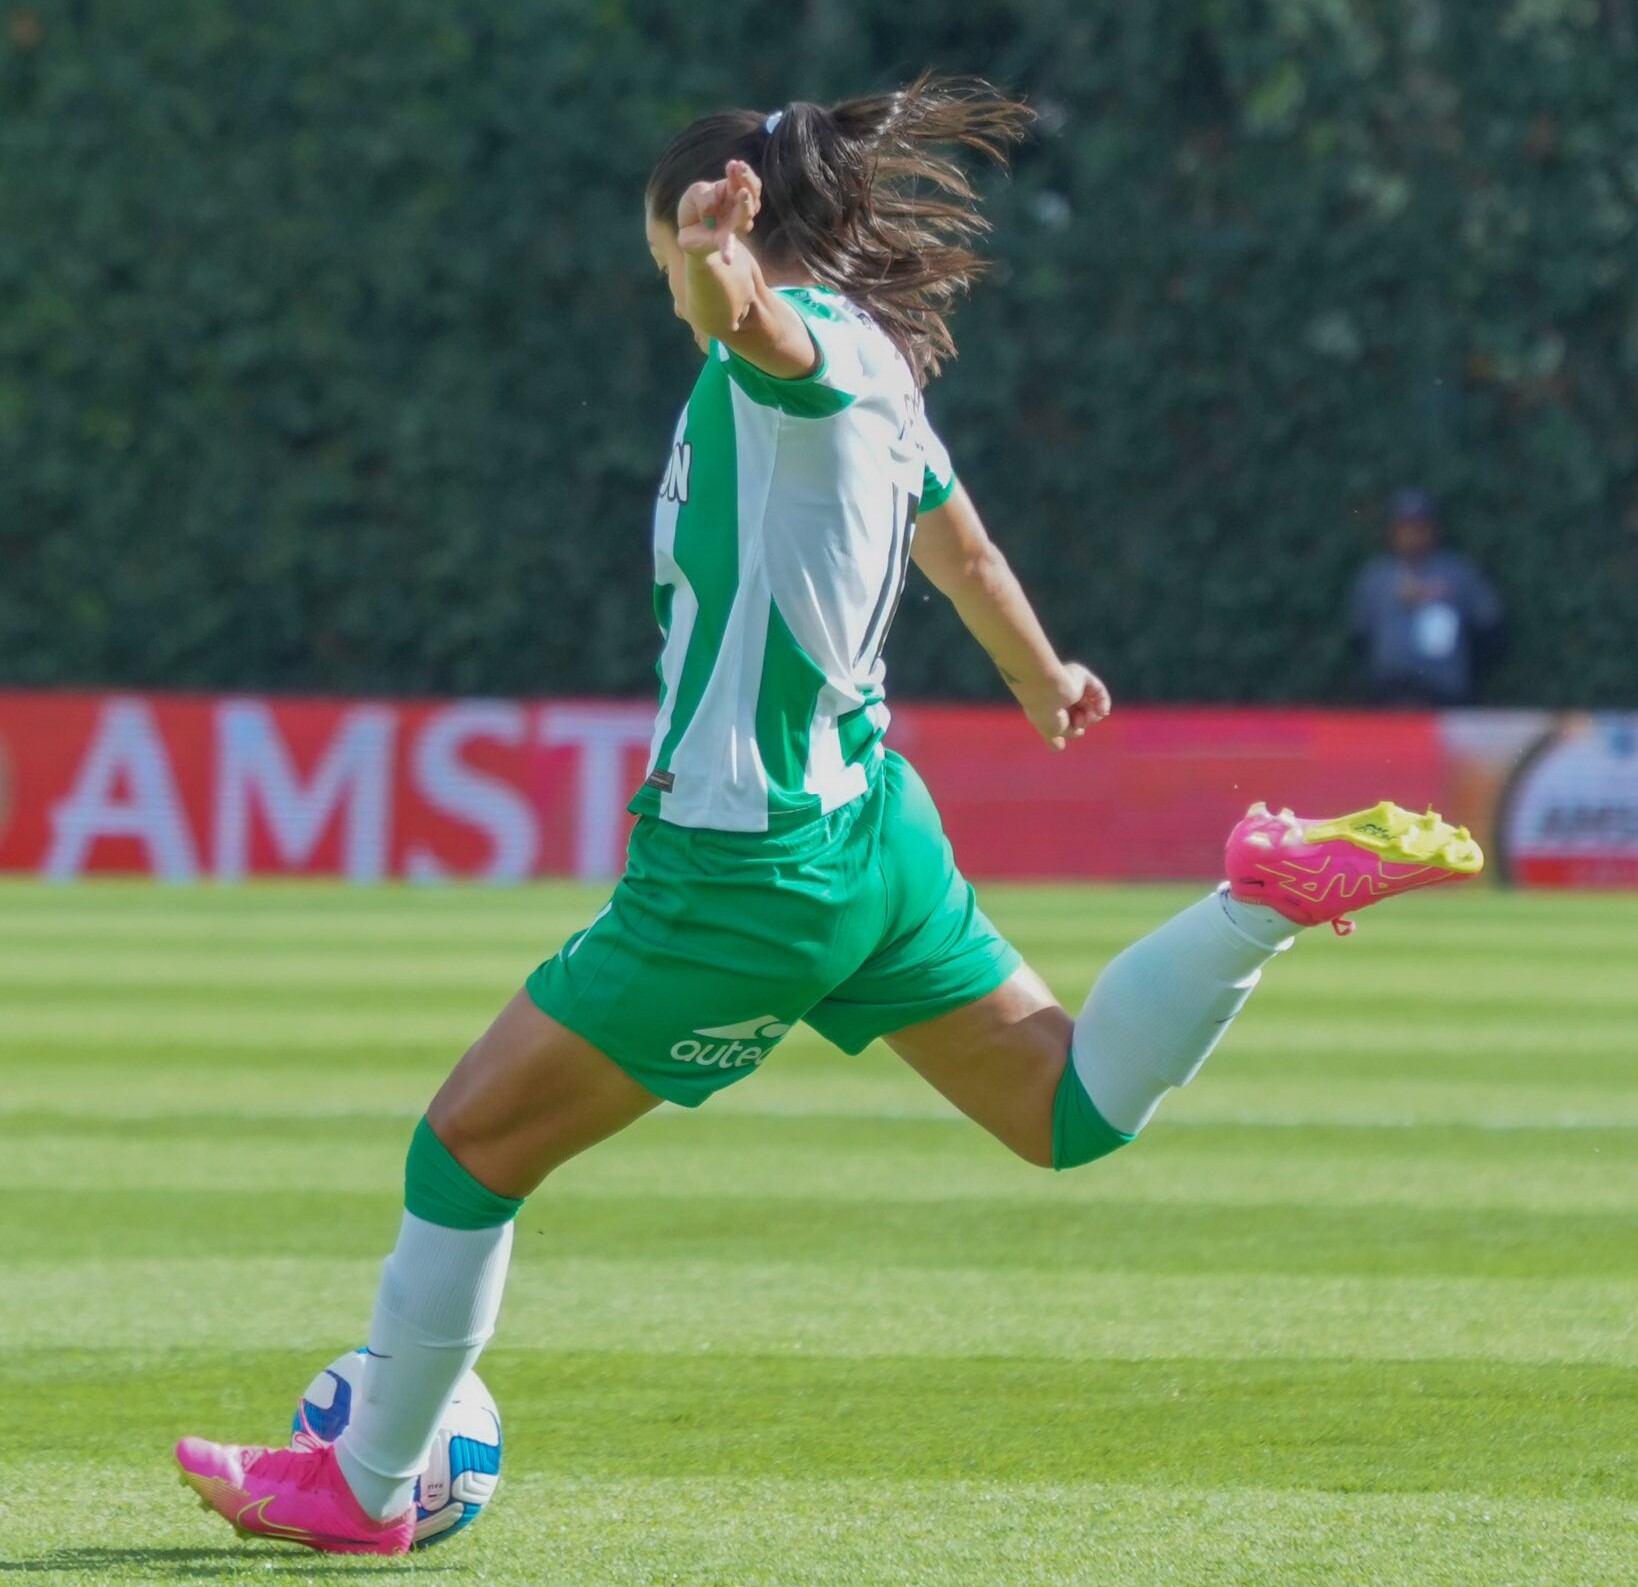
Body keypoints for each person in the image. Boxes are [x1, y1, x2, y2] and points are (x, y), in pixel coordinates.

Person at [174, 78, 1485, 1555]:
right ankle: (1252, 903)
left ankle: (364, 1488)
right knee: (1066, 1108)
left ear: (732, 229)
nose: (669, 288)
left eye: (663, 253)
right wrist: (1042, 677)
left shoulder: (781, 350)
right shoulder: (882, 366)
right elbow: (962, 549)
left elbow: (748, 323)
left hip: (744, 867)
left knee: (466, 1150)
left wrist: (712, 264)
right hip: (874, 830)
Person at [1348, 489, 1505, 705]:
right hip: (1389, 695)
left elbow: (1489, 628)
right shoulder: (1375, 577)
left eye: (1421, 526)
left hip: (1444, 693)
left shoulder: (1460, 573)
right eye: (1406, 527)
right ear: (1393, 531)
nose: (1413, 534)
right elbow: (1360, 636)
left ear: (1435, 529)